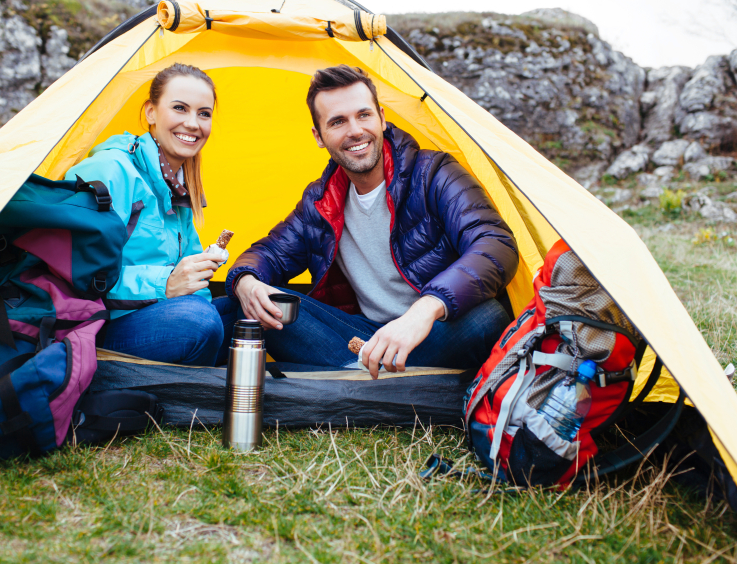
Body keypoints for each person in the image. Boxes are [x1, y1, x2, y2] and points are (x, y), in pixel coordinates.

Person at [226, 65, 518, 378]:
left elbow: (495, 245)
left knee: (487, 318)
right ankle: (373, 373)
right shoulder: (321, 200)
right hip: (360, 334)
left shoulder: (434, 172)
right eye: (337, 122)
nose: (354, 131)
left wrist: (426, 309)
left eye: (363, 115)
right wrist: (246, 281)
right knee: (254, 305)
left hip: (434, 327)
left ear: (380, 117)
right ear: (319, 136)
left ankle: (349, 375)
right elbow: (267, 253)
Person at [66, 63, 235, 365]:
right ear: (151, 113)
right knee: (198, 321)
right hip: (94, 328)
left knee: (257, 309)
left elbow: (192, 288)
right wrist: (165, 283)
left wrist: (190, 281)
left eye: (204, 113)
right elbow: (72, 274)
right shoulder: (110, 171)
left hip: (156, 315)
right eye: (180, 108)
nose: (193, 124)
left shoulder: (177, 187)